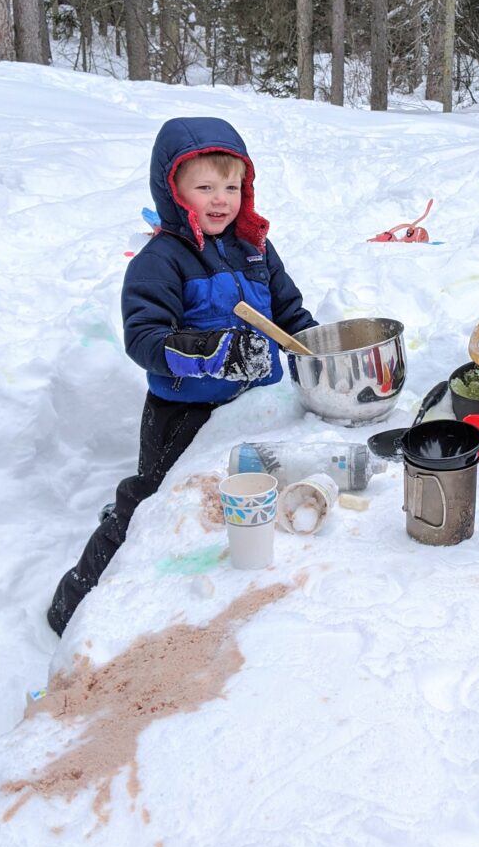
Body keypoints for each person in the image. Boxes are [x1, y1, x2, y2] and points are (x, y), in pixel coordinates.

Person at [48, 117, 316, 636]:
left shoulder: (256, 247)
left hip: (250, 409)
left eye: (232, 187)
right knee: (150, 502)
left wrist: (318, 349)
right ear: (174, 192)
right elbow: (145, 338)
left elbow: (288, 311)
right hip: (183, 415)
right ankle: (76, 599)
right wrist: (212, 353)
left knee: (230, 495)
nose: (221, 200)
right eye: (205, 187)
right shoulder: (160, 260)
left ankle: (214, 588)